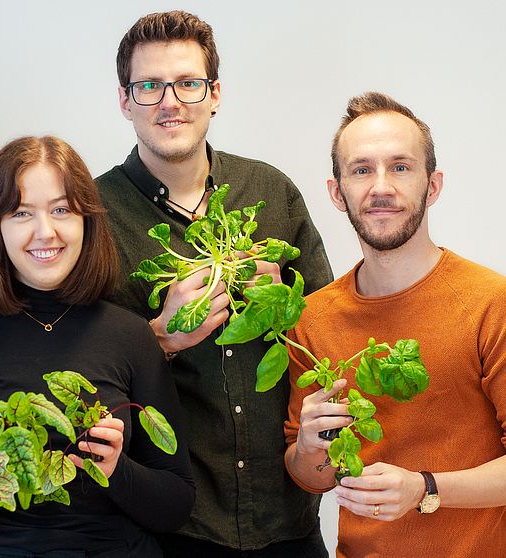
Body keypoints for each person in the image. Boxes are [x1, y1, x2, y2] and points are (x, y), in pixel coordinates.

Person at [283, 92, 506, 557]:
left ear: (432, 186)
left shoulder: (498, 305)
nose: (381, 187)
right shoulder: (312, 318)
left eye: (400, 167)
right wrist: (309, 448)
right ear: (338, 193)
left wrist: (424, 488)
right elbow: (312, 479)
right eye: (361, 170)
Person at [94, 10, 334, 557]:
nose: (170, 101)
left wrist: (287, 301)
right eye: (149, 85)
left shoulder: (271, 191)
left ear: (214, 94)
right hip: (169, 525)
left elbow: (328, 334)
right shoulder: (90, 213)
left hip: (286, 517)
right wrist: (160, 336)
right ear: (125, 100)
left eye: (187, 83)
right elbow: (76, 370)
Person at [0, 135, 195, 557]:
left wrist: (116, 470)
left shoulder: (130, 336)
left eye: (62, 210)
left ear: (86, 222)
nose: (46, 231)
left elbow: (176, 504)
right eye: (21, 212)